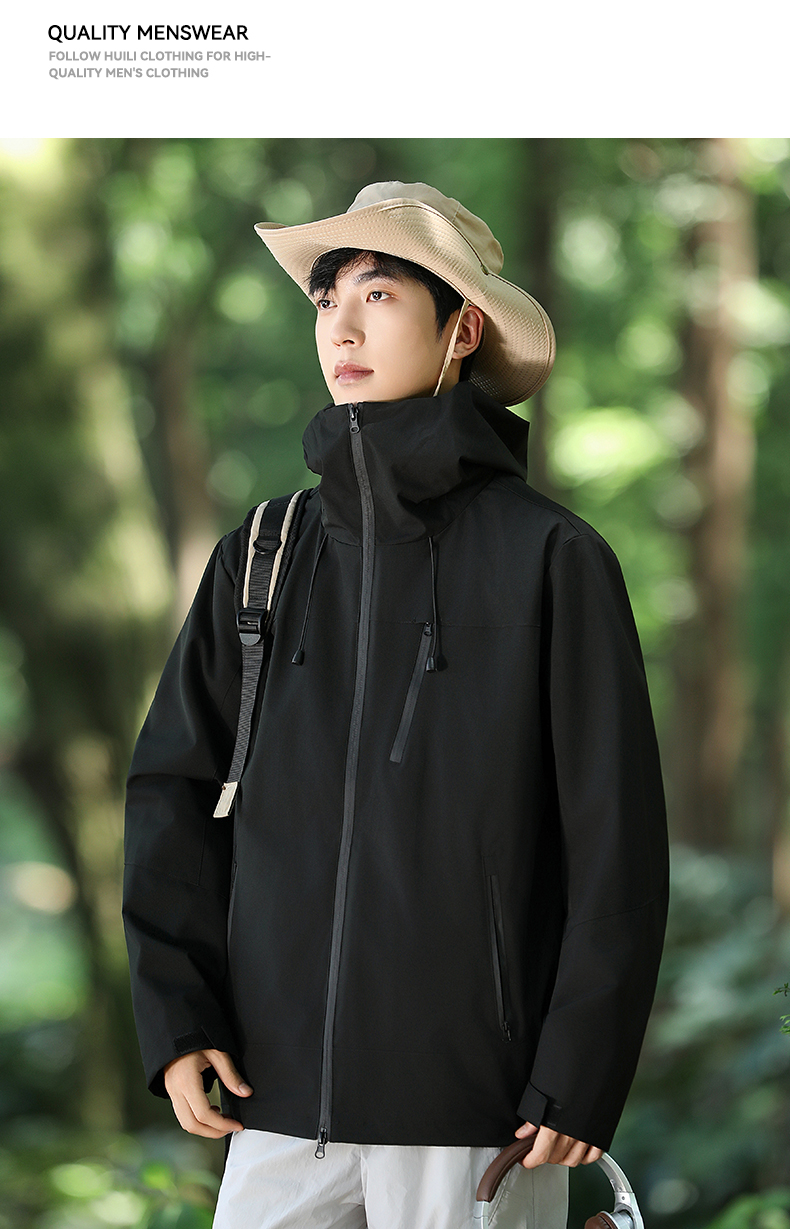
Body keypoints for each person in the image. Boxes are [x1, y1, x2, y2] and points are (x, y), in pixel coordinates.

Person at [123, 181, 669, 1229]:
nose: (342, 325)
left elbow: (616, 841)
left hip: (474, 1117)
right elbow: (171, 791)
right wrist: (178, 1015)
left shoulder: (553, 560)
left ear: (463, 329)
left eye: (378, 294)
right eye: (327, 299)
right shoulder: (261, 555)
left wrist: (580, 1069)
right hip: (273, 1101)